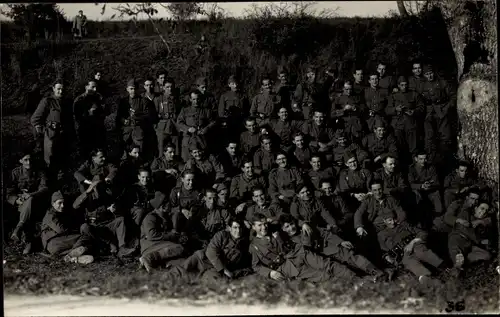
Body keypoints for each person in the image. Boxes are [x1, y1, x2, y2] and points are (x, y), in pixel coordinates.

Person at [249, 212, 357, 283]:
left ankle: (357, 279)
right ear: (253, 227)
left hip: (300, 253)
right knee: (322, 277)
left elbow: (285, 217)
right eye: (259, 225)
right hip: (289, 267)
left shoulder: (274, 228)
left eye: (265, 223)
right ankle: (349, 287)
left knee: (327, 264)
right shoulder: (254, 246)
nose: (264, 227)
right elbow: (256, 266)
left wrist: (303, 224)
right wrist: (270, 273)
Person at [279, 214, 386, 282]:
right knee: (337, 270)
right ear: (283, 229)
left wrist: (340, 242)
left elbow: (325, 234)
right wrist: (304, 227)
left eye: (292, 224)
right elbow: (307, 247)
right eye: (287, 226)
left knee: (350, 255)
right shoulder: (289, 242)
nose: (291, 228)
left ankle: (377, 272)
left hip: (327, 248)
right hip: (318, 259)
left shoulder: (306, 227)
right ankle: (362, 281)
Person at [73, 179, 136, 257]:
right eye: (96, 186)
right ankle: (108, 244)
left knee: (120, 220)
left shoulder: (107, 196)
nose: (99, 188)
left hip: (107, 226)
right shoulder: (88, 197)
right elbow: (75, 205)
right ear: (92, 187)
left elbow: (117, 211)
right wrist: (87, 192)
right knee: (84, 227)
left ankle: (122, 248)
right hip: (95, 227)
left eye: (101, 186)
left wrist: (114, 210)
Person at [31, 79, 74, 182]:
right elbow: (35, 119)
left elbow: (70, 121)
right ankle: (50, 185)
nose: (61, 91)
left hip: (64, 137)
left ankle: (63, 184)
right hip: (51, 136)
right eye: (58, 89)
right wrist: (45, 131)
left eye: (63, 89)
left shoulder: (67, 102)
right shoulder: (47, 101)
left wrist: (73, 136)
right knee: (50, 161)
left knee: (63, 160)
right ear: (53, 89)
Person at [180, 218, 251, 281]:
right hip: (201, 259)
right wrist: (224, 270)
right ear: (229, 228)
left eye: (240, 227)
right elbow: (211, 252)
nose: (238, 230)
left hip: (214, 268)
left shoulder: (243, 243)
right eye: (235, 227)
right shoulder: (222, 235)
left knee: (215, 281)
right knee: (181, 271)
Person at [7, 149, 49, 254]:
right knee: (27, 205)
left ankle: (19, 230)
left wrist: (31, 195)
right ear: (21, 161)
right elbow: (9, 191)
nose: (28, 162)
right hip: (20, 203)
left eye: (30, 159)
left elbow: (44, 188)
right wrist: (16, 200)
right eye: (25, 160)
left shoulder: (39, 172)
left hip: (36, 202)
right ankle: (26, 240)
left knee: (30, 201)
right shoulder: (15, 173)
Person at [41, 191, 94, 264]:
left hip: (58, 244)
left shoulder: (58, 213)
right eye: (59, 203)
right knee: (85, 237)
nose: (62, 205)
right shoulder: (50, 215)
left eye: (63, 203)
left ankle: (71, 257)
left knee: (87, 243)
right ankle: (73, 253)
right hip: (54, 243)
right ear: (53, 204)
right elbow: (62, 230)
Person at [139, 192, 185, 273]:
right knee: (179, 248)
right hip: (150, 246)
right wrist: (171, 235)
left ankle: (155, 265)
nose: (170, 205)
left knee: (182, 261)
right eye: (168, 203)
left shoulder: (165, 217)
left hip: (160, 245)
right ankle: (148, 258)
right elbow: (151, 235)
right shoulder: (150, 217)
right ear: (163, 206)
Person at [447, 198, 492, 275]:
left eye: (486, 210)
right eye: (482, 208)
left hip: (469, 245)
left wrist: (480, 222)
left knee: (487, 255)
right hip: (458, 238)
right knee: (457, 255)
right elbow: (464, 229)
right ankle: (456, 269)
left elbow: (481, 239)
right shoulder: (466, 213)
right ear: (475, 208)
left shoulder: (482, 225)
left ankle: (462, 264)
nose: (484, 211)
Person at [115, 79, 158, 161]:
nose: (133, 91)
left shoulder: (144, 100)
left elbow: (148, 115)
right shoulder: (123, 101)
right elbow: (119, 116)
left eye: (135, 89)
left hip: (138, 129)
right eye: (131, 89)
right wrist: (123, 120)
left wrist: (136, 117)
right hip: (126, 131)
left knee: (139, 152)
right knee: (125, 152)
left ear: (138, 89)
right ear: (127, 89)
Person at [421, 65, 457, 160]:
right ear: (424, 75)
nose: (430, 76)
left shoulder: (442, 82)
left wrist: (446, 108)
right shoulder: (422, 85)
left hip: (442, 111)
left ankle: (445, 159)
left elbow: (453, 97)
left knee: (445, 138)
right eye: (427, 74)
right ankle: (431, 160)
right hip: (429, 113)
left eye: (431, 73)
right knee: (429, 138)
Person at [386, 76, 424, 163]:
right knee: (399, 147)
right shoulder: (393, 96)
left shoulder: (414, 94)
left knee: (413, 148)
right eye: (402, 85)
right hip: (398, 124)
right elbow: (387, 110)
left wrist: (414, 112)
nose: (404, 87)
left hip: (411, 123)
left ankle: (414, 166)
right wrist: (395, 109)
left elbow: (421, 107)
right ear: (398, 86)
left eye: (406, 85)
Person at [176, 90, 216, 162]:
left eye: (198, 99)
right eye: (194, 99)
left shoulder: (206, 111)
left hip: (201, 140)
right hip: (188, 139)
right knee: (187, 161)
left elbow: (213, 122)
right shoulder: (185, 110)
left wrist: (206, 129)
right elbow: (179, 122)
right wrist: (188, 129)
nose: (196, 101)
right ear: (190, 99)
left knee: (204, 161)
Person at [73, 79, 108, 158]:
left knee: (100, 154)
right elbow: (77, 117)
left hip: (98, 130)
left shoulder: (99, 98)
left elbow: (106, 111)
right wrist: (89, 114)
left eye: (96, 87)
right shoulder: (80, 100)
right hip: (86, 131)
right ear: (86, 87)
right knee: (86, 153)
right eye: (92, 87)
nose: (95, 89)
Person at [407, 151, 442, 227]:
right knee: (415, 195)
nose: (423, 161)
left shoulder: (431, 167)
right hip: (418, 190)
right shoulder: (411, 169)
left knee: (436, 194)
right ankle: (419, 221)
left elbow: (436, 182)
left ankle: (438, 218)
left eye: (425, 159)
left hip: (429, 190)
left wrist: (429, 186)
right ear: (416, 159)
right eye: (421, 159)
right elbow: (410, 184)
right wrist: (421, 186)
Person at [153, 77, 181, 157]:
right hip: (162, 127)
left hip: (174, 126)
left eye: (171, 87)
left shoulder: (177, 99)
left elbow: (179, 112)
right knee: (161, 148)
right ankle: (161, 165)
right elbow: (154, 113)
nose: (170, 89)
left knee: (176, 147)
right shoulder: (158, 99)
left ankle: (176, 163)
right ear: (163, 87)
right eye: (168, 87)